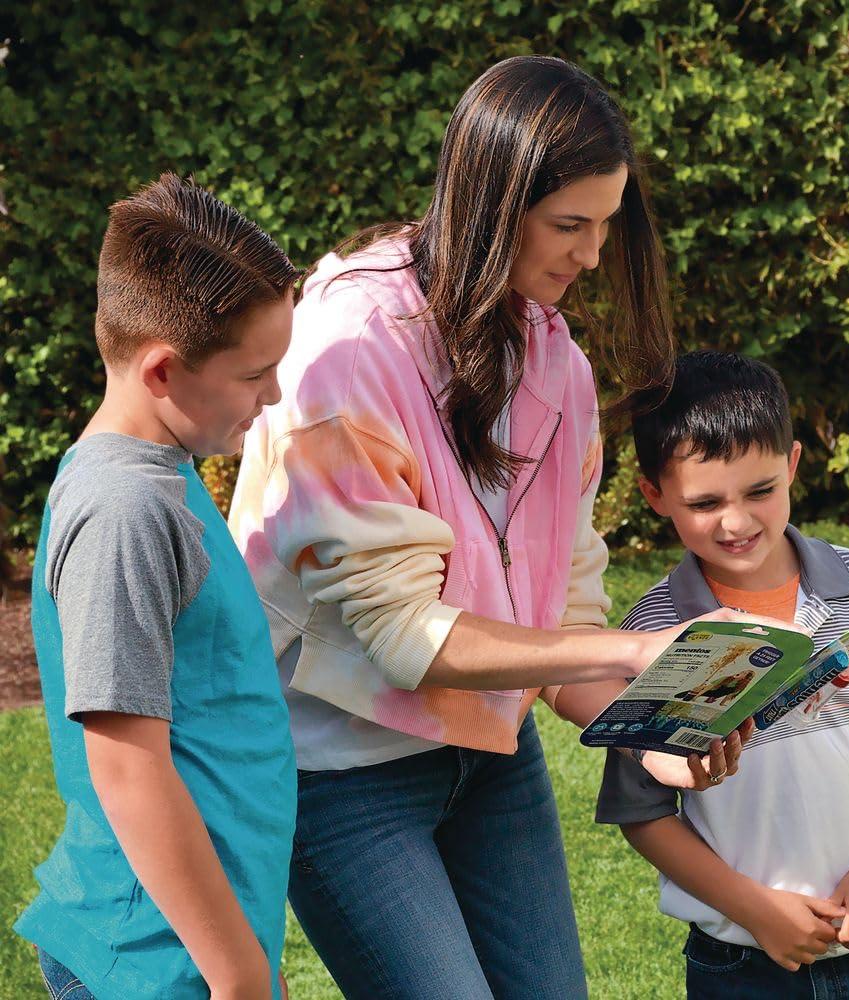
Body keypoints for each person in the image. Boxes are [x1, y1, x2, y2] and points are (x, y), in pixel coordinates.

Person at [229, 57, 748, 999]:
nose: (592, 255)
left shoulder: (561, 370)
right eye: (569, 225)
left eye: (606, 224)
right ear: (494, 202)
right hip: (339, 771)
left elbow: (565, 616)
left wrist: (650, 733)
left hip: (486, 763)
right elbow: (398, 637)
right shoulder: (348, 352)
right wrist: (635, 659)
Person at [596, 350, 849, 1000]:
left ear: (793, 464)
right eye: (706, 502)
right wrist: (754, 910)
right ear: (654, 494)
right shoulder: (652, 636)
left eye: (761, 491)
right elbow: (643, 811)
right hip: (737, 962)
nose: (736, 522)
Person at [14, 174, 300, 1000]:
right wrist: (239, 973)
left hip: (192, 949)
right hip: (153, 959)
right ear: (165, 371)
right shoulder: (125, 508)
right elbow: (126, 766)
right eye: (256, 374)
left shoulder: (164, 467)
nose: (273, 395)